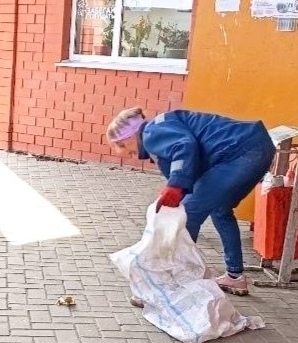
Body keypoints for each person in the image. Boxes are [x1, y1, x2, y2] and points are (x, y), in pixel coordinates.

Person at [107, 107, 275, 298]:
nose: (127, 153)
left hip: (238, 153)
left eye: (122, 147)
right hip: (257, 147)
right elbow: (192, 159)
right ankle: (234, 276)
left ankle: (178, 284)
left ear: (127, 137)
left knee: (187, 215)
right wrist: (179, 187)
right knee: (221, 210)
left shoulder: (151, 133)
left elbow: (184, 146)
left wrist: (176, 185)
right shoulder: (160, 126)